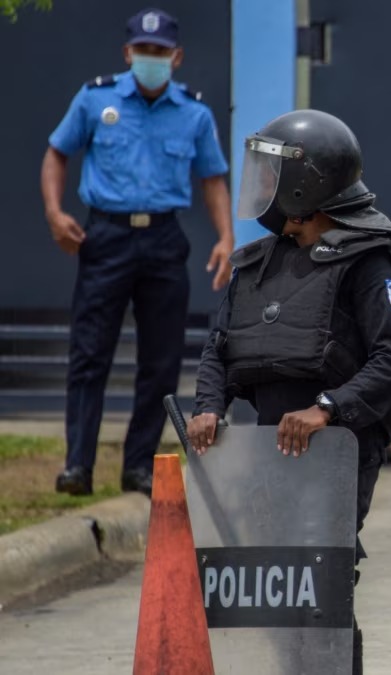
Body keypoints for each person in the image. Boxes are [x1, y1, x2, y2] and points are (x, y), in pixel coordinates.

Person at [186, 109, 391, 674]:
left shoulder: (372, 261)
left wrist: (328, 408)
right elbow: (217, 349)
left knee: (322, 586)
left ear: (308, 184)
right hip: (264, 449)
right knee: (273, 588)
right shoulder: (257, 262)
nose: (264, 187)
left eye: (274, 175)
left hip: (335, 450)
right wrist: (208, 406)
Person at [42, 8, 233, 497]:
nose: (152, 58)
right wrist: (54, 213)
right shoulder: (95, 99)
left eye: (160, 51)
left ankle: (139, 465)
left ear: (177, 57)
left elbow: (213, 179)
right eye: (143, 50)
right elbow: (57, 154)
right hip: (105, 237)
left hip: (164, 241)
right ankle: (77, 465)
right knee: (90, 353)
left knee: (162, 360)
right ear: (128, 53)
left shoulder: (193, 112)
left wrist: (226, 238)